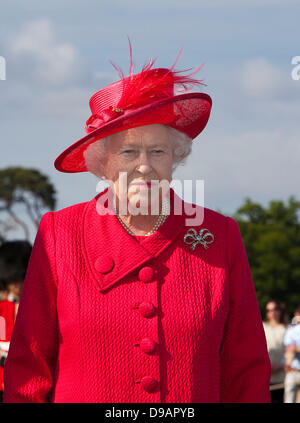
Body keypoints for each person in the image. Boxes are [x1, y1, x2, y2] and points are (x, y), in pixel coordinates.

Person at [3, 46, 271, 403]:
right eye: (128, 152)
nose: (144, 165)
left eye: (157, 151)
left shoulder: (219, 236)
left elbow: (246, 371)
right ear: (102, 161)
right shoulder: (59, 234)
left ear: (176, 157)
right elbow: (29, 369)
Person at [0, 241, 32, 402]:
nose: (17, 286)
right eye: (13, 281)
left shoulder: (37, 306)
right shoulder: (2, 308)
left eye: (19, 279)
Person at [263, 300, 288, 402]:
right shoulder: (262, 327)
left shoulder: (286, 329)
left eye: (274, 309)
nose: (272, 312)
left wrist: (281, 365)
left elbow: (290, 351)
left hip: (282, 377)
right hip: (265, 376)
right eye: (269, 310)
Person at [283, 306, 300, 403]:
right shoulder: (292, 330)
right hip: (292, 371)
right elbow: (289, 348)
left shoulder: (292, 330)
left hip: (292, 370)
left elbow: (291, 348)